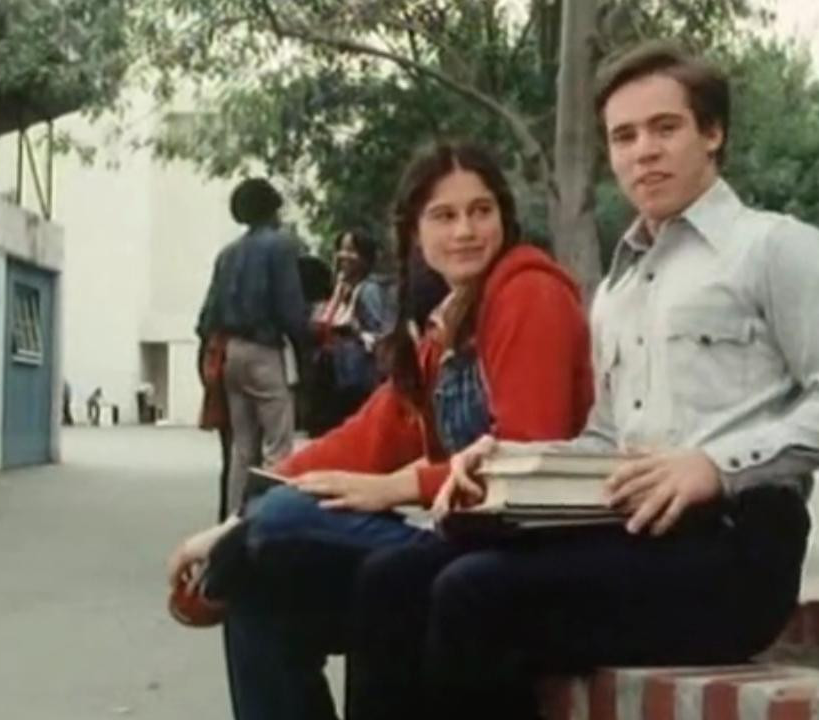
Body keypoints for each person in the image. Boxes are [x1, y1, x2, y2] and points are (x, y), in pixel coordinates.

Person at [342, 42, 819, 720]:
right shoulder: (619, 287)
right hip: (629, 534)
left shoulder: (775, 247)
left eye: (665, 128)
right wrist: (503, 462)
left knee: (475, 594)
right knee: (392, 579)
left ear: (713, 133)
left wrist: (716, 466)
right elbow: (604, 437)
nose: (644, 153)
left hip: (734, 550)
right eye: (624, 137)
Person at [166, 141, 595, 720]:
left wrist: (396, 488)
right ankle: (240, 555)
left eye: (481, 211)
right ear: (416, 232)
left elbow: (528, 458)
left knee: (285, 519)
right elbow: (367, 437)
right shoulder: (448, 324)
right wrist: (233, 523)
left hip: (519, 550)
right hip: (457, 540)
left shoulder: (529, 294)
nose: (465, 231)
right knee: (258, 593)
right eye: (444, 216)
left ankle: (241, 549)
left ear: (504, 218)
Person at [196, 178, 315, 516]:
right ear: (272, 208)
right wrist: (305, 349)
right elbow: (290, 308)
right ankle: (270, 516)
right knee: (278, 443)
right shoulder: (282, 247)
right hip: (264, 350)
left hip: (231, 351)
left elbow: (207, 317)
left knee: (242, 448)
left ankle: (235, 518)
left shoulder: (227, 254)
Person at [306, 230, 396, 436]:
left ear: (365, 257)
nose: (344, 256)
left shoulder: (368, 290)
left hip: (356, 377)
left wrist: (354, 329)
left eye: (351, 250)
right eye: (341, 249)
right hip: (340, 375)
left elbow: (380, 332)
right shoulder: (342, 289)